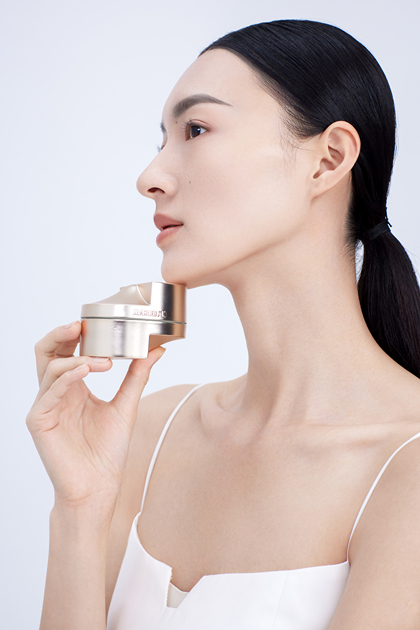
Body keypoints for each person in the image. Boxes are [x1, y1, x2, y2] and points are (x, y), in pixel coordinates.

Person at [26, 19, 420, 630]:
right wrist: (80, 507)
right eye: (163, 138)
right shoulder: (146, 431)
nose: (149, 177)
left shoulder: (407, 465)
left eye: (196, 129)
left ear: (329, 159)